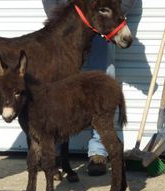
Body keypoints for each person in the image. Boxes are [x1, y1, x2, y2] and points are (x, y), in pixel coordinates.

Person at [42, 0, 137, 176]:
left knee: (102, 84)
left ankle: (98, 152)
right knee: (57, 87)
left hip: (101, 27)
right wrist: (60, 18)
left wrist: (110, 17)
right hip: (67, 29)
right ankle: (52, 150)